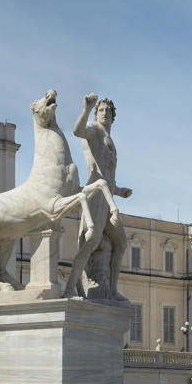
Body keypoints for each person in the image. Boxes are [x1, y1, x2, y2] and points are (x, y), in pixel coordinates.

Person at [70, 94, 133, 299]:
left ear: (113, 116)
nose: (104, 113)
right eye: (101, 110)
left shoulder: (110, 139)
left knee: (121, 243)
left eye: (108, 111)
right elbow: (77, 131)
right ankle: (72, 284)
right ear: (96, 114)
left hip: (108, 196)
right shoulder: (93, 130)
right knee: (91, 242)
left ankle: (113, 291)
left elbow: (107, 176)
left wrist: (119, 190)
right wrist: (87, 109)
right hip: (96, 195)